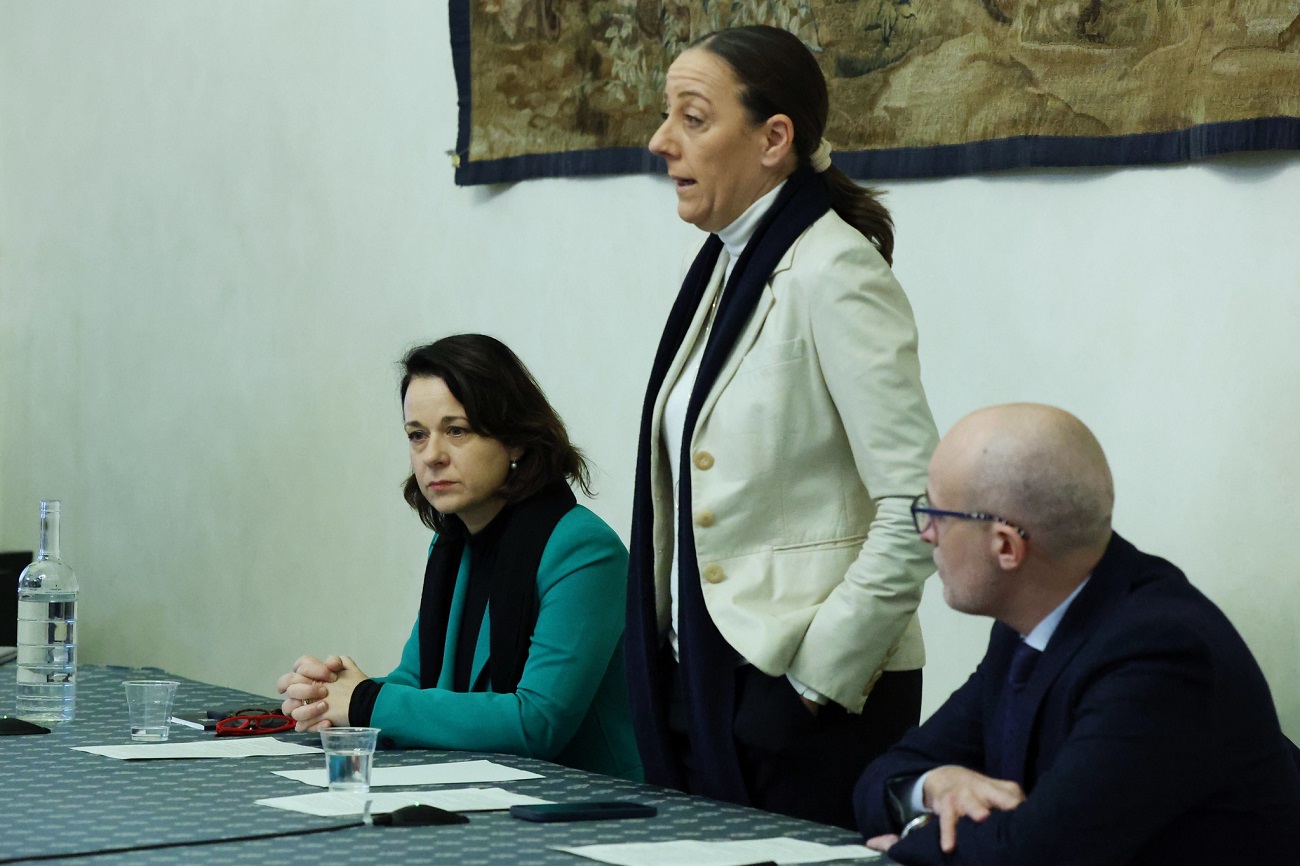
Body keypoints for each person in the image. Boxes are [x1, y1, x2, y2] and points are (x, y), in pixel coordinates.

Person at [626, 24, 939, 829]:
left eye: (693, 119)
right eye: (669, 116)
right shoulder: (729, 266)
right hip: (709, 673)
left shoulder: (834, 271)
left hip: (813, 690)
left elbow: (916, 503)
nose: (663, 141)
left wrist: (811, 683)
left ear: (774, 139)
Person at [855, 403, 1300, 865]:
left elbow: (1037, 854)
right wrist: (934, 787)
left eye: (935, 513)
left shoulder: (1160, 655)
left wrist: (913, 837)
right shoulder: (1024, 631)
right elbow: (885, 774)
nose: (926, 533)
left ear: (1006, 546)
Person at [276, 334, 641, 780]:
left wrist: (367, 700)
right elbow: (418, 683)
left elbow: (537, 723)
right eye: (417, 435)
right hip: (489, 795)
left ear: (516, 440)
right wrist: (331, 695)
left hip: (594, 806)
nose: (432, 456)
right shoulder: (453, 542)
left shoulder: (583, 549)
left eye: (457, 431)